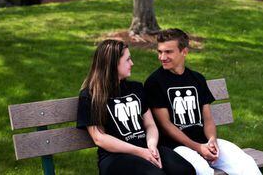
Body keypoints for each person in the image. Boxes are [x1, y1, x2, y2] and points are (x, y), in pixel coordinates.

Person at [144, 29, 262, 175]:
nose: (162, 57)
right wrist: (198, 147)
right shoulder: (155, 82)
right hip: (176, 147)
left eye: (168, 52)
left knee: (245, 163)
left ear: (184, 51)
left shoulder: (197, 79)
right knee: (202, 170)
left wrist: (212, 140)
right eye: (160, 52)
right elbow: (166, 125)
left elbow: (207, 118)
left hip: (203, 141)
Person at [77, 39, 195, 175]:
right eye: (128, 60)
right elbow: (99, 138)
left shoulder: (136, 88)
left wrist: (151, 145)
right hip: (116, 157)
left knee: (186, 170)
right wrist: (139, 152)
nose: (132, 63)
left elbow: (150, 124)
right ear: (112, 64)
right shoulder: (91, 95)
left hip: (146, 148)